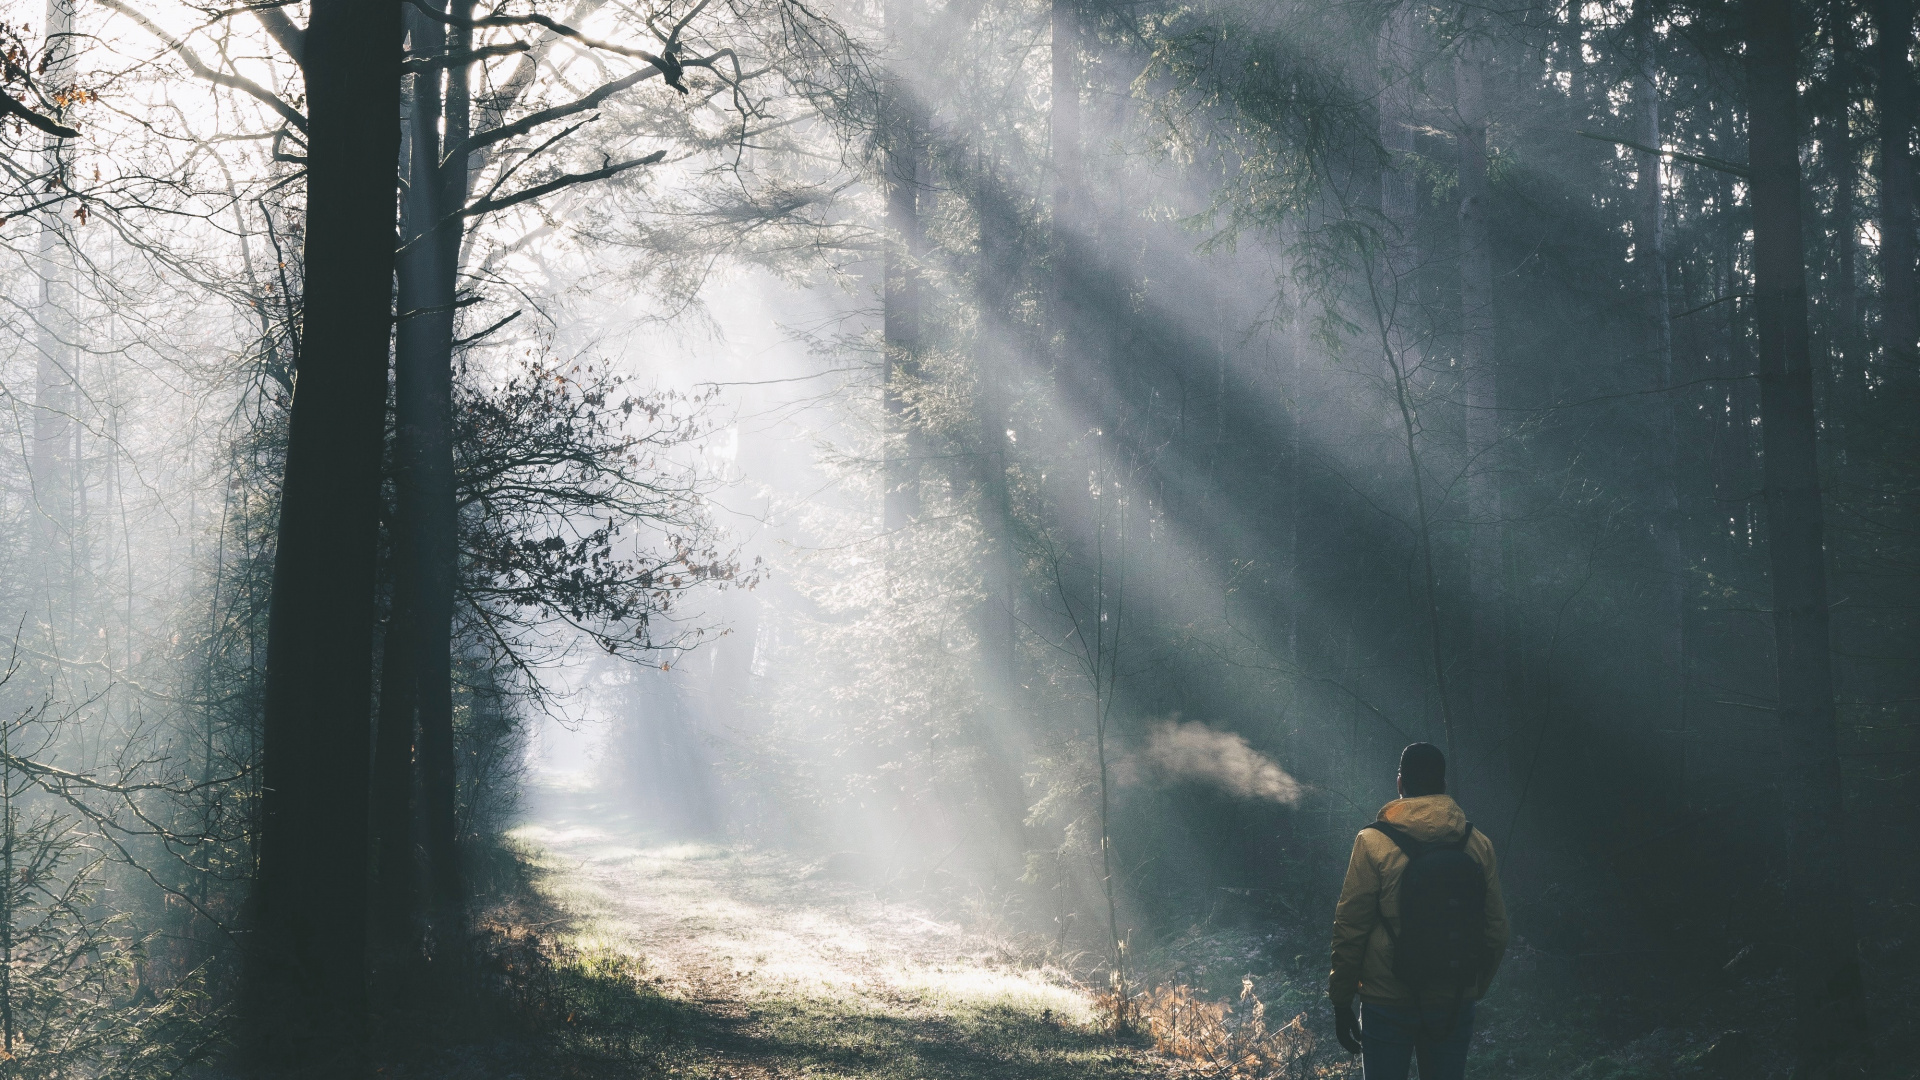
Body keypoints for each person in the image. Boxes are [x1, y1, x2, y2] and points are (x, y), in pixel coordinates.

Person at [1327, 743, 1508, 1080]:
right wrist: (1472, 988)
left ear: (1400, 784)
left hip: (1386, 998)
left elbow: (1350, 928)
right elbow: (1497, 929)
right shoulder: (1477, 843)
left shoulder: (1372, 842)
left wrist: (1341, 1000)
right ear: (1443, 786)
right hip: (1453, 997)